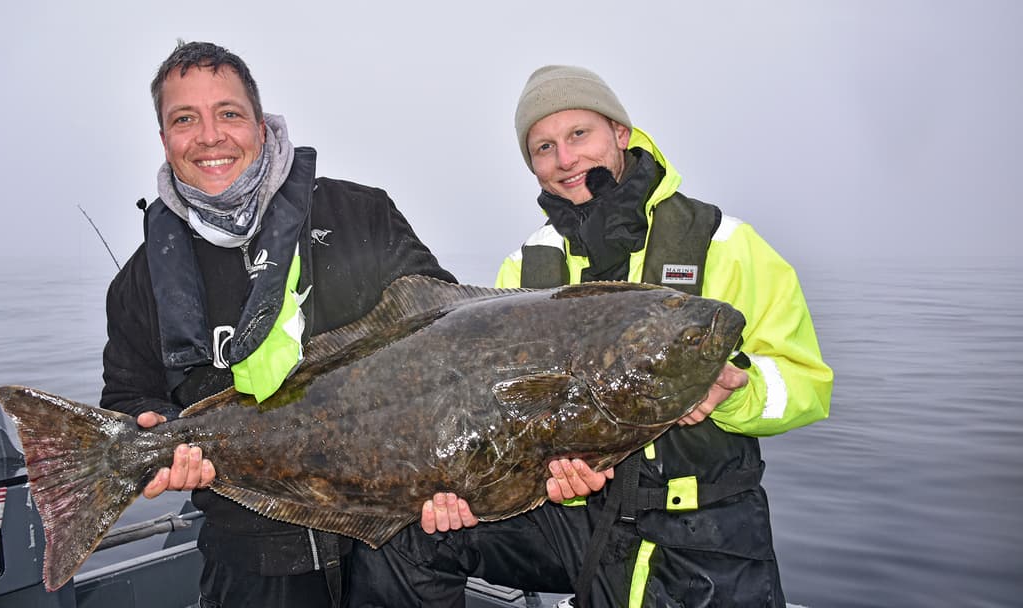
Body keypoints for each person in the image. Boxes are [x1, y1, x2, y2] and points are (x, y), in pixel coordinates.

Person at [349, 65, 832, 607]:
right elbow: (497, 417)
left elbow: (807, 385)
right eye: (544, 147)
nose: (566, 159)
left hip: (709, 528)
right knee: (408, 540)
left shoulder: (726, 242)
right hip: (579, 525)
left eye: (580, 134)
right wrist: (469, 489)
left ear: (620, 133)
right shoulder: (524, 270)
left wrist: (739, 392)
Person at [100, 41, 455, 608]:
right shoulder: (139, 283)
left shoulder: (362, 215)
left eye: (229, 114)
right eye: (184, 119)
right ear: (164, 139)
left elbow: (444, 337)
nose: (210, 136)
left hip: (397, 539)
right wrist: (154, 432)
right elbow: (127, 397)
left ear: (261, 126)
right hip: (248, 556)